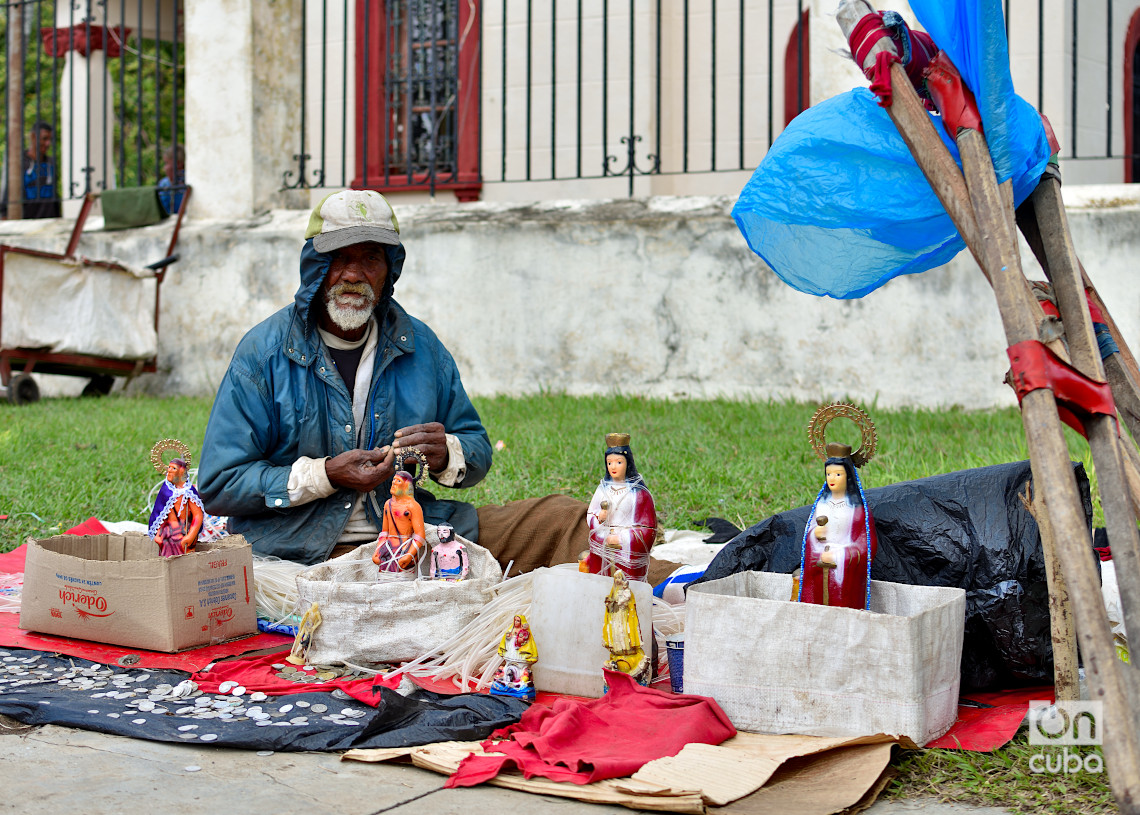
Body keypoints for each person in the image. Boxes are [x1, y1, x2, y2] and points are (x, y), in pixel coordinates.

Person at [198, 189, 681, 583]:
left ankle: (679, 594)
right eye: (337, 258)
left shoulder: (419, 345)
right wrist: (326, 474)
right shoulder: (264, 351)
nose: (352, 274)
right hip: (299, 553)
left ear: (390, 269)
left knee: (565, 519)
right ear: (312, 267)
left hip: (420, 535)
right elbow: (219, 486)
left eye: (369, 258)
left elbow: (475, 449)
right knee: (352, 590)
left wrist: (445, 451)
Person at [797, 442, 877, 610]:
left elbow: (867, 546)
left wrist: (839, 556)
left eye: (838, 474)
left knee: (841, 603)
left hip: (844, 571)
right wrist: (815, 535)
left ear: (847, 476)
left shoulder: (857, 510)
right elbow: (808, 538)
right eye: (828, 474)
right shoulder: (821, 505)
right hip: (818, 564)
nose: (832, 478)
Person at [581, 433, 657, 581]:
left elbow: (648, 528)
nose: (613, 467)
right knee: (600, 579)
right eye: (609, 463)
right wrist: (599, 518)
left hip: (626, 547)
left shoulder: (638, 493)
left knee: (624, 584)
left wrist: (622, 538)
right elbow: (591, 514)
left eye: (618, 462)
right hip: (602, 541)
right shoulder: (603, 489)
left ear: (628, 463)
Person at [0, 122, 61, 220]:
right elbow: (6, 188)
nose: (48, 143)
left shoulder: (51, 163)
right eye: (44, 139)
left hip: (49, 220)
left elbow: (55, 193)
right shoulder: (18, 161)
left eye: (50, 139)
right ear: (33, 137)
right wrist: (3, 213)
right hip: (27, 219)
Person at [149, 458, 205, 557]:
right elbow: (160, 515)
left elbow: (198, 515)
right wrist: (157, 534)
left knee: (185, 558)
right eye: (169, 467)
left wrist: (191, 536)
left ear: (181, 471)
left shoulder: (189, 492)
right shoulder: (166, 491)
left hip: (184, 532)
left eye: (173, 468)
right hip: (167, 534)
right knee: (166, 558)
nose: (169, 470)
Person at [157, 144, 185, 216]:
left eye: (166, 163)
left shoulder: (188, 181)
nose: (164, 168)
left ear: (178, 163)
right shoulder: (164, 183)